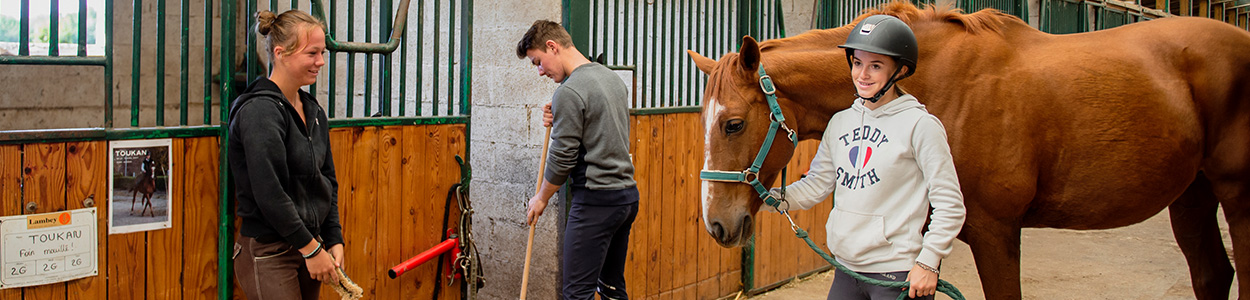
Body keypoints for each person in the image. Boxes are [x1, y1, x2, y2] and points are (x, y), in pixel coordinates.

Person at [765, 15, 965, 300]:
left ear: (900, 70)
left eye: (876, 66)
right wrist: (768, 199)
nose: (863, 74)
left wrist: (928, 262)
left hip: (897, 274)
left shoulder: (921, 126)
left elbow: (950, 205)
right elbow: (817, 186)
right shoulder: (840, 122)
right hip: (846, 271)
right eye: (858, 63)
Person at [518, 20, 639, 300]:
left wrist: (541, 198)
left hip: (595, 201)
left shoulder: (570, 92)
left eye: (538, 61)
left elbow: (563, 157)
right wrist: (559, 114)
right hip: (625, 199)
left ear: (552, 46)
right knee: (610, 288)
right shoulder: (610, 79)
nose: (539, 71)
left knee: (577, 294)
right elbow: (597, 128)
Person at [228, 9, 343, 300]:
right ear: (281, 53)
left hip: (308, 245)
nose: (321, 61)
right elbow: (269, 193)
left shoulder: (313, 109)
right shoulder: (259, 111)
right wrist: (312, 248)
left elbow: (326, 180)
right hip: (270, 249)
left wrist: (333, 238)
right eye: (312, 53)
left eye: (323, 52)